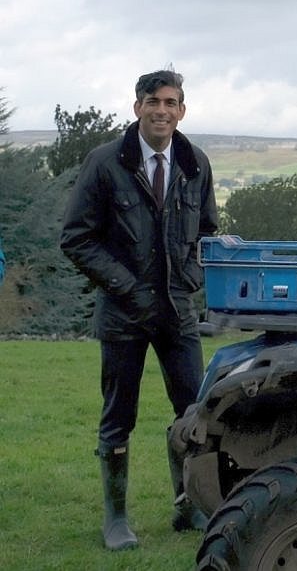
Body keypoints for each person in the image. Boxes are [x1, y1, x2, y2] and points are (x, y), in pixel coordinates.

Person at [60, 70, 218, 551]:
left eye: (171, 102)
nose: (162, 111)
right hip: (123, 313)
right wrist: (127, 287)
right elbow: (76, 238)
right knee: (118, 417)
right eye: (153, 101)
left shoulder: (195, 164)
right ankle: (116, 519)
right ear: (137, 108)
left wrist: (190, 281)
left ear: (182, 111)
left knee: (194, 412)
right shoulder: (105, 163)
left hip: (178, 314)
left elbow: (208, 234)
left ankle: (187, 505)